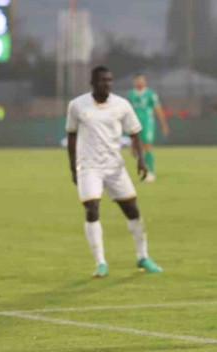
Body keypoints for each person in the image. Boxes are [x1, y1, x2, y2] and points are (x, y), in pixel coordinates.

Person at [66, 66, 163, 277]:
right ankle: (100, 262)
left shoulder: (121, 105)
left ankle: (143, 256)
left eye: (109, 80)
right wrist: (73, 167)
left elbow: (135, 133)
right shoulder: (77, 105)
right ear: (92, 82)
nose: (107, 84)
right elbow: (72, 136)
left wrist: (141, 161)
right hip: (89, 167)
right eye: (102, 80)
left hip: (115, 167)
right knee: (92, 208)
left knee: (132, 210)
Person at [127, 74, 170, 183]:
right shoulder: (131, 94)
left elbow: (158, 109)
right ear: (134, 82)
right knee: (133, 151)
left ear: (145, 82)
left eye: (141, 80)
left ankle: (150, 172)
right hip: (134, 124)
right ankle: (144, 165)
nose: (139, 82)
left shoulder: (150, 94)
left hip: (147, 124)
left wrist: (164, 125)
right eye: (137, 80)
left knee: (147, 146)